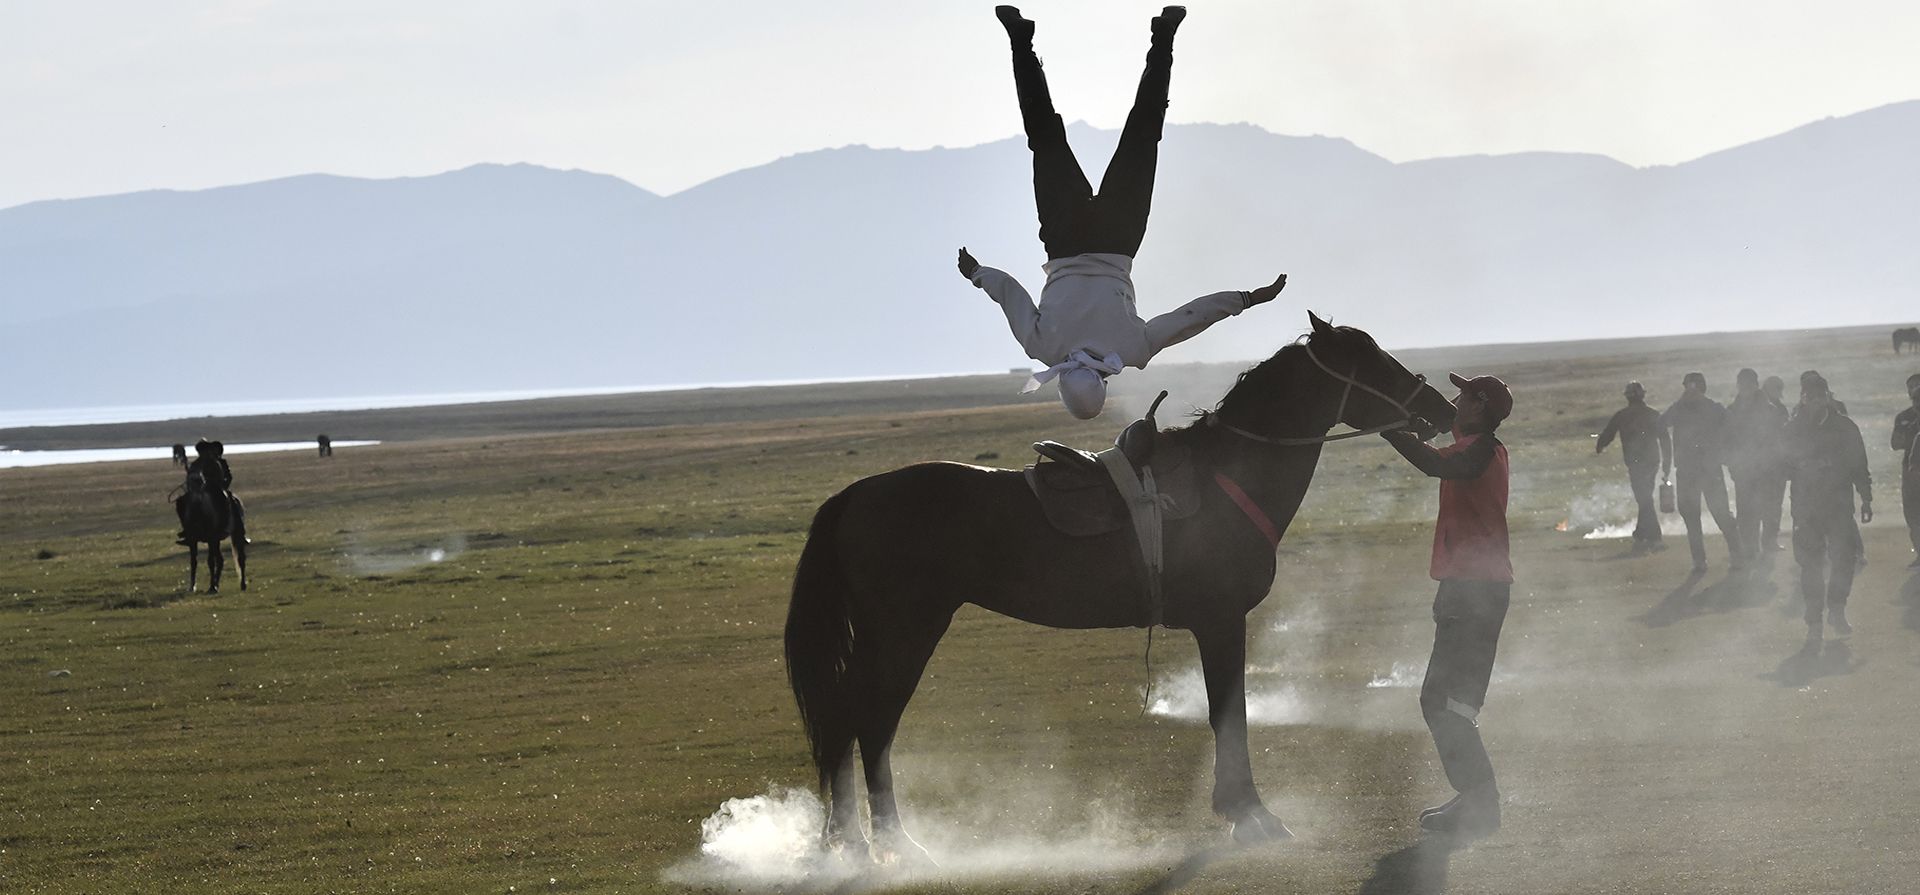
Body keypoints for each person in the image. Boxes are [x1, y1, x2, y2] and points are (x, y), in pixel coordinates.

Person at [960, 6, 1287, 419]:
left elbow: (1190, 317)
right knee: (1044, 137)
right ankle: (1020, 39)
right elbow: (1007, 290)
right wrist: (976, 272)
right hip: (1065, 239)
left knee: (1143, 133)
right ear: (1061, 382)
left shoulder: (1132, 351)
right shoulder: (1042, 349)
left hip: (1118, 239)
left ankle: (1163, 37)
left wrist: (1245, 299)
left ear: (1105, 384)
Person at [1380, 373, 1514, 839]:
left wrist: (1390, 428)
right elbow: (1443, 457)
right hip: (1469, 587)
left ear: (1477, 405)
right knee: (1446, 702)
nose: (1454, 400)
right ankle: (1476, 799)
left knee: (1446, 704)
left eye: (1461, 394)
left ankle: (1480, 803)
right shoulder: (1479, 447)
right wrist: (1415, 432)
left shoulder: (1479, 450)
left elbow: (1436, 465)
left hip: (1475, 590)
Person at [1783, 372, 1871, 649]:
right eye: (1810, 397)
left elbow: (1859, 463)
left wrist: (1866, 498)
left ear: (1827, 397)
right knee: (1810, 564)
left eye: (1820, 396)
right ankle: (1814, 622)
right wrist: (1804, 466)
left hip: (1839, 506)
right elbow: (1781, 465)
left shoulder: (1845, 427)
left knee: (1844, 560)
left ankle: (1837, 608)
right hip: (1806, 508)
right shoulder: (1792, 428)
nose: (1816, 402)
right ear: (1803, 398)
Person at [1661, 372, 1743, 572]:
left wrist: (1725, 452)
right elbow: (1661, 424)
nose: (1690, 392)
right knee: (1691, 516)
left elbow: (1732, 428)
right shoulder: (1682, 409)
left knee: (1720, 513)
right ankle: (1700, 561)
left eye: (1692, 387)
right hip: (1690, 471)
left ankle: (1737, 555)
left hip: (1708, 470)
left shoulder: (1713, 409)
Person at [1596, 381, 1670, 553]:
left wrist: (1600, 445)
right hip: (1652, 462)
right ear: (1643, 395)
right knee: (1644, 498)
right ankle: (1643, 536)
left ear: (1628, 397)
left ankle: (1652, 538)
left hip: (1636, 463)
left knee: (1644, 499)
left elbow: (1608, 434)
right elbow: (1665, 440)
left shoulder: (1622, 415)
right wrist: (1666, 464)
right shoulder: (1653, 414)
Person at [1724, 368, 1788, 563]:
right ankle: (1750, 548)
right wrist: (1733, 466)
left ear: (1755, 385)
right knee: (1746, 511)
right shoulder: (1732, 411)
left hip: (1769, 469)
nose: (1745, 388)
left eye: (1749, 384)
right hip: (1745, 471)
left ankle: (1768, 542)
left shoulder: (1771, 410)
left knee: (1770, 508)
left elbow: (1782, 439)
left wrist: (1780, 464)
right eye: (1742, 384)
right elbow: (1727, 442)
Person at [1754, 376, 1791, 553]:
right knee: (1767, 505)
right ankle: (1766, 541)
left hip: (1774, 466)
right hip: (1766, 467)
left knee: (1772, 505)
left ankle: (1768, 541)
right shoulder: (1775, 410)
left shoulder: (1779, 409)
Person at [175, 439, 236, 545]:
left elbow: (222, 477)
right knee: (181, 502)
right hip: (198, 491)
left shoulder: (215, 463)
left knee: (227, 503)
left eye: (204, 451)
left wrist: (221, 486)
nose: (202, 453)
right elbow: (191, 478)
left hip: (214, 489)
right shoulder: (195, 464)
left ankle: (231, 527)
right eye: (200, 451)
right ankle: (187, 529)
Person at [1891, 373, 1920, 568]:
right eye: (1912, 390)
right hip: (1911, 472)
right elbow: (1895, 443)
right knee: (1912, 514)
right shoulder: (1904, 417)